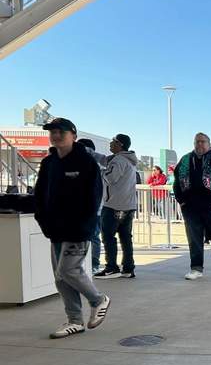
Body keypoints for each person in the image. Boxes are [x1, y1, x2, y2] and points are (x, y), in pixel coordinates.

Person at [34, 118, 111, 339]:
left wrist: (85, 226)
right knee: (60, 277)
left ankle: (98, 300)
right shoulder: (49, 163)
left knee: (68, 270)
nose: (56, 136)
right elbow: (40, 194)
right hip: (55, 228)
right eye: (53, 132)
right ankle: (75, 320)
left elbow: (94, 198)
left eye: (61, 132)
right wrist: (43, 220)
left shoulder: (86, 162)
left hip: (78, 229)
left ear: (73, 135)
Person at [173, 132, 211, 280]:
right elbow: (176, 182)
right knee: (194, 238)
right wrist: (182, 201)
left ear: (209, 143)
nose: (199, 144)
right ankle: (196, 269)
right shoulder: (186, 160)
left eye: (202, 141)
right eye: (197, 141)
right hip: (191, 208)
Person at [94, 133, 138, 279]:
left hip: (114, 204)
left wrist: (99, 172)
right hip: (128, 205)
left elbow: (111, 178)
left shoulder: (118, 160)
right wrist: (90, 154)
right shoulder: (128, 159)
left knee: (108, 236)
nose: (110, 143)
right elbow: (104, 159)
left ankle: (111, 267)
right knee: (125, 237)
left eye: (113, 141)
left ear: (120, 145)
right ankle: (128, 268)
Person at [76, 137, 105, 274]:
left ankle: (93, 264)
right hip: (91, 208)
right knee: (91, 236)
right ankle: (90, 264)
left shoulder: (90, 164)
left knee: (92, 236)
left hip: (92, 208)